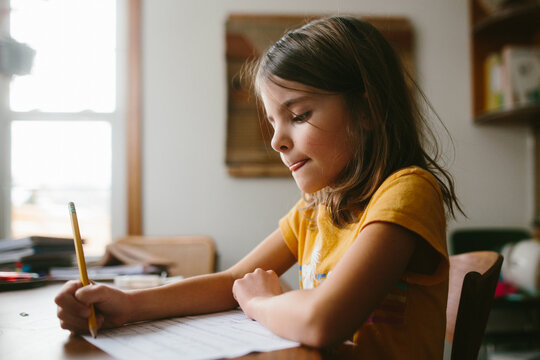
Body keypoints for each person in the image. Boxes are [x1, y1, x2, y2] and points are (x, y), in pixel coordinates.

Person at [55, 15, 462, 359]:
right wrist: (128, 306)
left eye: (298, 115)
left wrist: (262, 302)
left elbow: (321, 322)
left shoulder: (407, 192)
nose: (276, 140)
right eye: (273, 122)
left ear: (368, 110)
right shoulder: (316, 207)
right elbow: (233, 279)